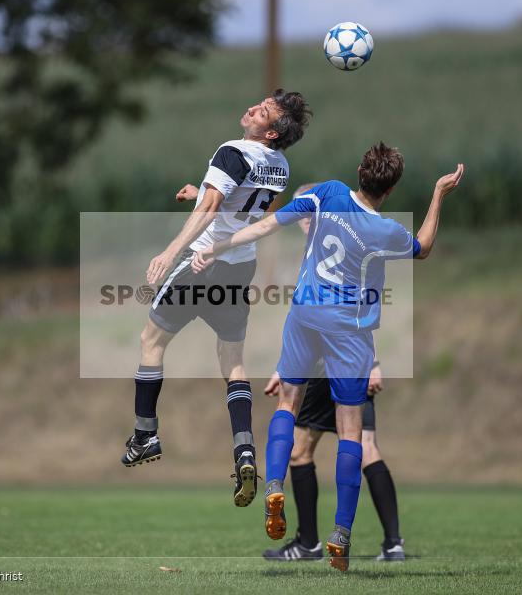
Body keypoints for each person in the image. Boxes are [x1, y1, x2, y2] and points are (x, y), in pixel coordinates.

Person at [191, 143, 464, 571]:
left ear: (359, 171)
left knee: (288, 404)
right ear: (391, 188)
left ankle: (275, 484)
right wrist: (438, 195)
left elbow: (267, 227)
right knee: (351, 431)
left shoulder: (328, 192)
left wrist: (219, 245)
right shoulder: (386, 230)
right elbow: (424, 246)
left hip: (304, 315)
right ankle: (341, 532)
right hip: (349, 333)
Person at [121, 90, 312, 512]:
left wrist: (171, 252)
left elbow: (212, 209)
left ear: (271, 131)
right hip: (238, 265)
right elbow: (246, 204)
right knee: (233, 361)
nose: (251, 108)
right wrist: (203, 193)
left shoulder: (233, 150)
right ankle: (244, 450)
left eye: (263, 111)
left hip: (201, 262)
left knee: (151, 342)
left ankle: (145, 433)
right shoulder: (280, 164)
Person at [262, 361, 406, 562]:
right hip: (354, 363)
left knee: (300, 451)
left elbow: (305, 332)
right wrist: (373, 363)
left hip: (323, 367)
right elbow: (361, 327)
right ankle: (393, 544)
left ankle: (308, 544)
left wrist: (285, 369)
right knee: (366, 447)